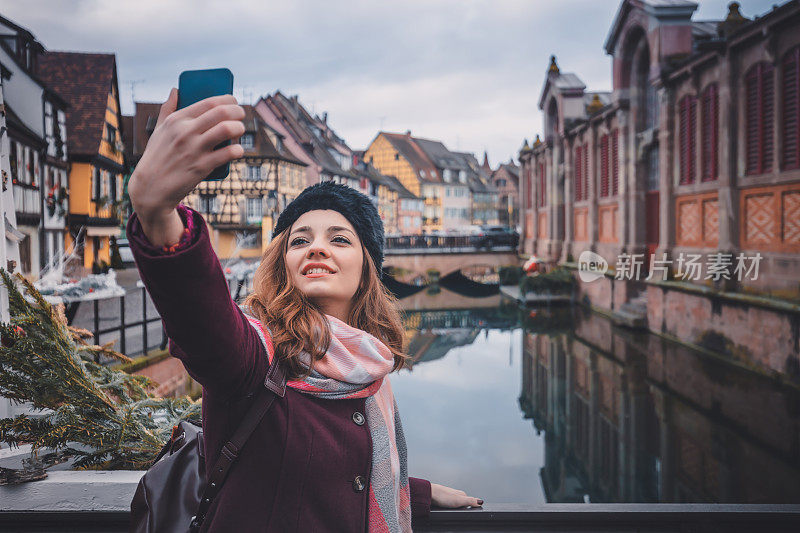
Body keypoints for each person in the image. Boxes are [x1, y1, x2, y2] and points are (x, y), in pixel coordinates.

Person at [126, 89, 483, 532]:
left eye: (339, 239)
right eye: (300, 240)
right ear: (285, 263)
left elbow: (334, 470)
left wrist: (417, 492)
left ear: (366, 269)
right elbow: (204, 324)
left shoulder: (370, 369)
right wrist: (158, 214)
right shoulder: (256, 357)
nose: (316, 246)